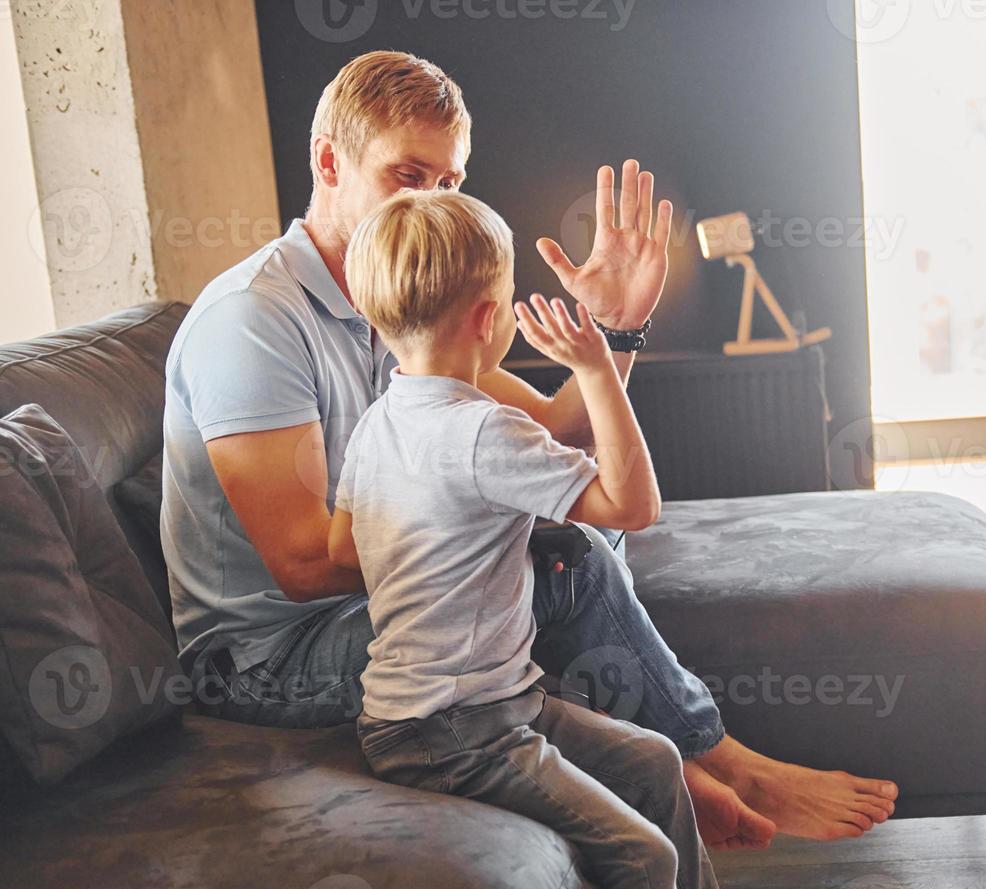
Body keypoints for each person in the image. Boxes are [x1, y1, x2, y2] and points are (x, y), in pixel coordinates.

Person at [161, 49, 899, 848]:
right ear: (330, 161)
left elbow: (550, 426)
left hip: (365, 608)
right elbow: (304, 565)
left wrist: (614, 330)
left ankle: (673, 764)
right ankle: (712, 757)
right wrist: (496, 527)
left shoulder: (404, 297)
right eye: (408, 176)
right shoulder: (254, 322)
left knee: (577, 535)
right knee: (565, 556)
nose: (434, 203)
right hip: (264, 658)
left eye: (450, 184)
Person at [330, 189, 775, 889]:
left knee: (658, 763)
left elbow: (345, 541)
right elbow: (634, 507)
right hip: (452, 731)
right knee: (641, 855)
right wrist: (597, 368)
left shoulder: (381, 421)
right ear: (487, 319)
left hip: (467, 706)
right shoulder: (480, 429)